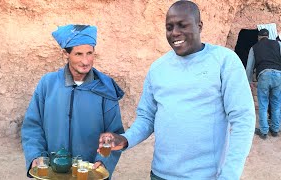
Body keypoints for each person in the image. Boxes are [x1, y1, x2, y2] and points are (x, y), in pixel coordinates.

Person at [97, 1, 255, 179]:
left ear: (199, 26)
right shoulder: (158, 68)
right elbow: (147, 118)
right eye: (169, 27)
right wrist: (125, 139)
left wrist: (229, 175)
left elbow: (243, 120)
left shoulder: (224, 61)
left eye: (182, 25)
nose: (175, 33)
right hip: (160, 174)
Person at [21, 24, 125, 177]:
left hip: (89, 172)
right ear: (65, 54)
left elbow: (113, 133)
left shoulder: (105, 88)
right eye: (78, 54)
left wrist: (103, 161)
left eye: (89, 53)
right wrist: (36, 156)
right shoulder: (47, 84)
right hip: (52, 172)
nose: (85, 61)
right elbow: (32, 126)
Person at [246, 28, 281, 139]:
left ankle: (264, 131)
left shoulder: (254, 47)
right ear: (268, 36)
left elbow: (249, 67)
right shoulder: (278, 44)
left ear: (258, 37)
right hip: (278, 74)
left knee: (263, 103)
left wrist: (249, 81)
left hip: (264, 74)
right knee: (276, 103)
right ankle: (275, 129)